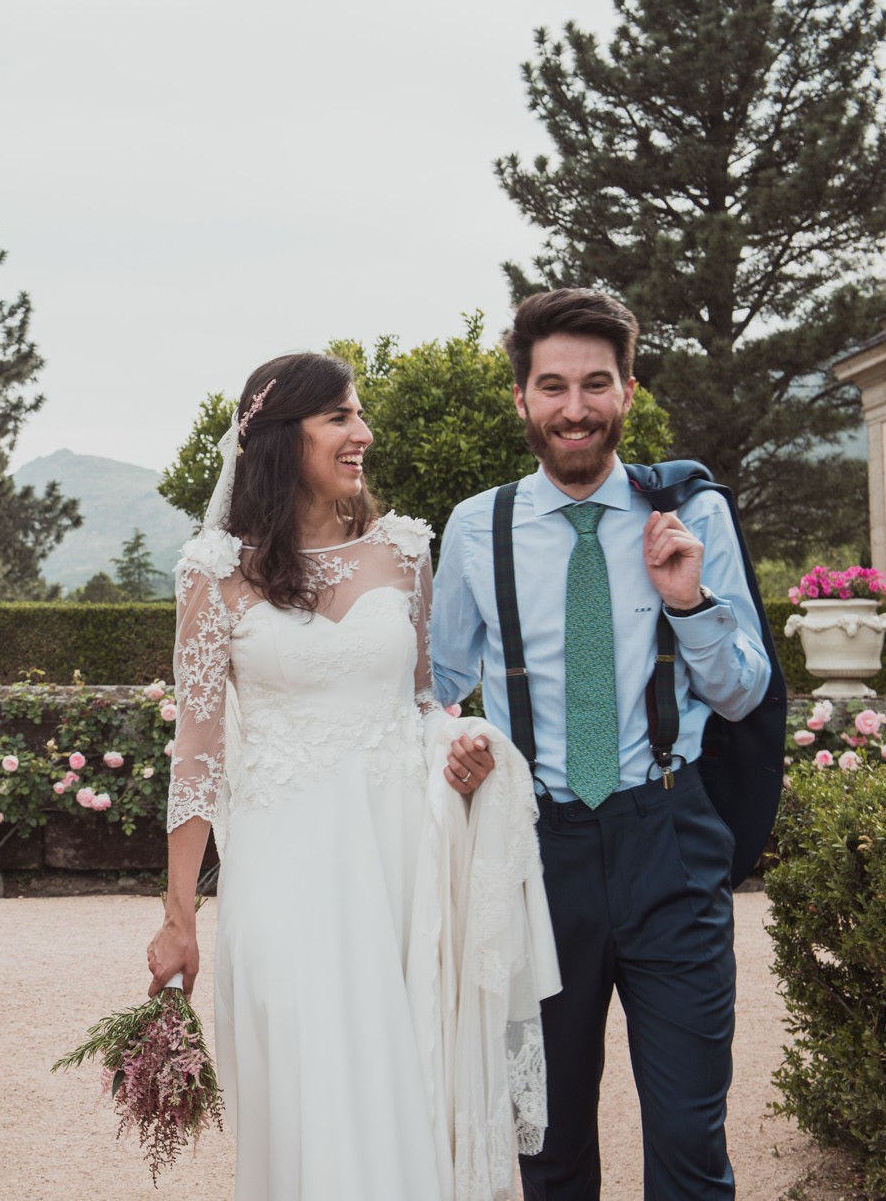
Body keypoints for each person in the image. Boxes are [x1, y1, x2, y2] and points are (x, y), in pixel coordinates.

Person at [146, 350, 559, 1200]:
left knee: (402, 1084)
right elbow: (197, 753)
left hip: (398, 863)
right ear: (279, 437)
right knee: (310, 1084)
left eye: (358, 413)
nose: (362, 432)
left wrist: (462, 751)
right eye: (339, 416)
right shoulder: (212, 573)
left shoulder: (405, 552)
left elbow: (422, 705)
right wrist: (179, 919)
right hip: (282, 872)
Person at [430, 289, 773, 1200]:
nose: (574, 407)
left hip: (671, 841)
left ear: (628, 390)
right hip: (532, 857)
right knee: (547, 1146)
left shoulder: (693, 515)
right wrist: (454, 742)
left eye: (595, 383)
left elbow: (743, 691)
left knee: (691, 1141)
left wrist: (689, 603)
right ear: (522, 398)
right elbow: (431, 685)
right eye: (553, 386)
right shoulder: (477, 527)